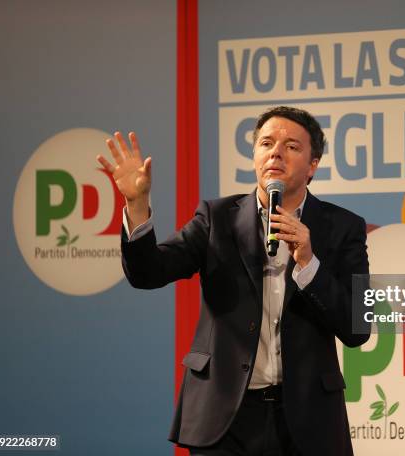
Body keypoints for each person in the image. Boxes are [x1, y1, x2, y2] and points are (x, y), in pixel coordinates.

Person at [96, 106, 370, 455]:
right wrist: (137, 206)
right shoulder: (215, 219)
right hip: (225, 419)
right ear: (255, 155)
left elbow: (358, 327)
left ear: (312, 164)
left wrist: (309, 261)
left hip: (307, 421)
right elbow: (147, 273)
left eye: (291, 146)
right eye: (266, 143)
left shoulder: (345, 227)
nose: (276, 152)